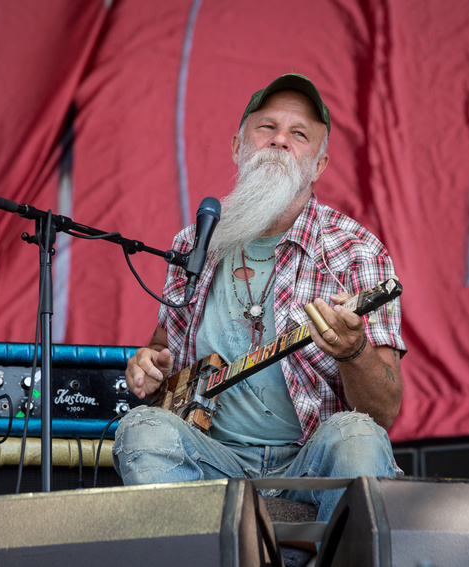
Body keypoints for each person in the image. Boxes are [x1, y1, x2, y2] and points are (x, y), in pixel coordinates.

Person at [113, 73, 406, 524]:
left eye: (299, 134)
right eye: (266, 128)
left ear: (320, 164)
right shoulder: (197, 241)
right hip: (214, 458)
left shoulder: (357, 250)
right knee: (142, 430)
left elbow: (384, 411)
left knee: (359, 438)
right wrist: (146, 365)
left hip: (308, 460)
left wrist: (355, 352)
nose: (280, 141)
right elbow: (162, 349)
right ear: (237, 146)